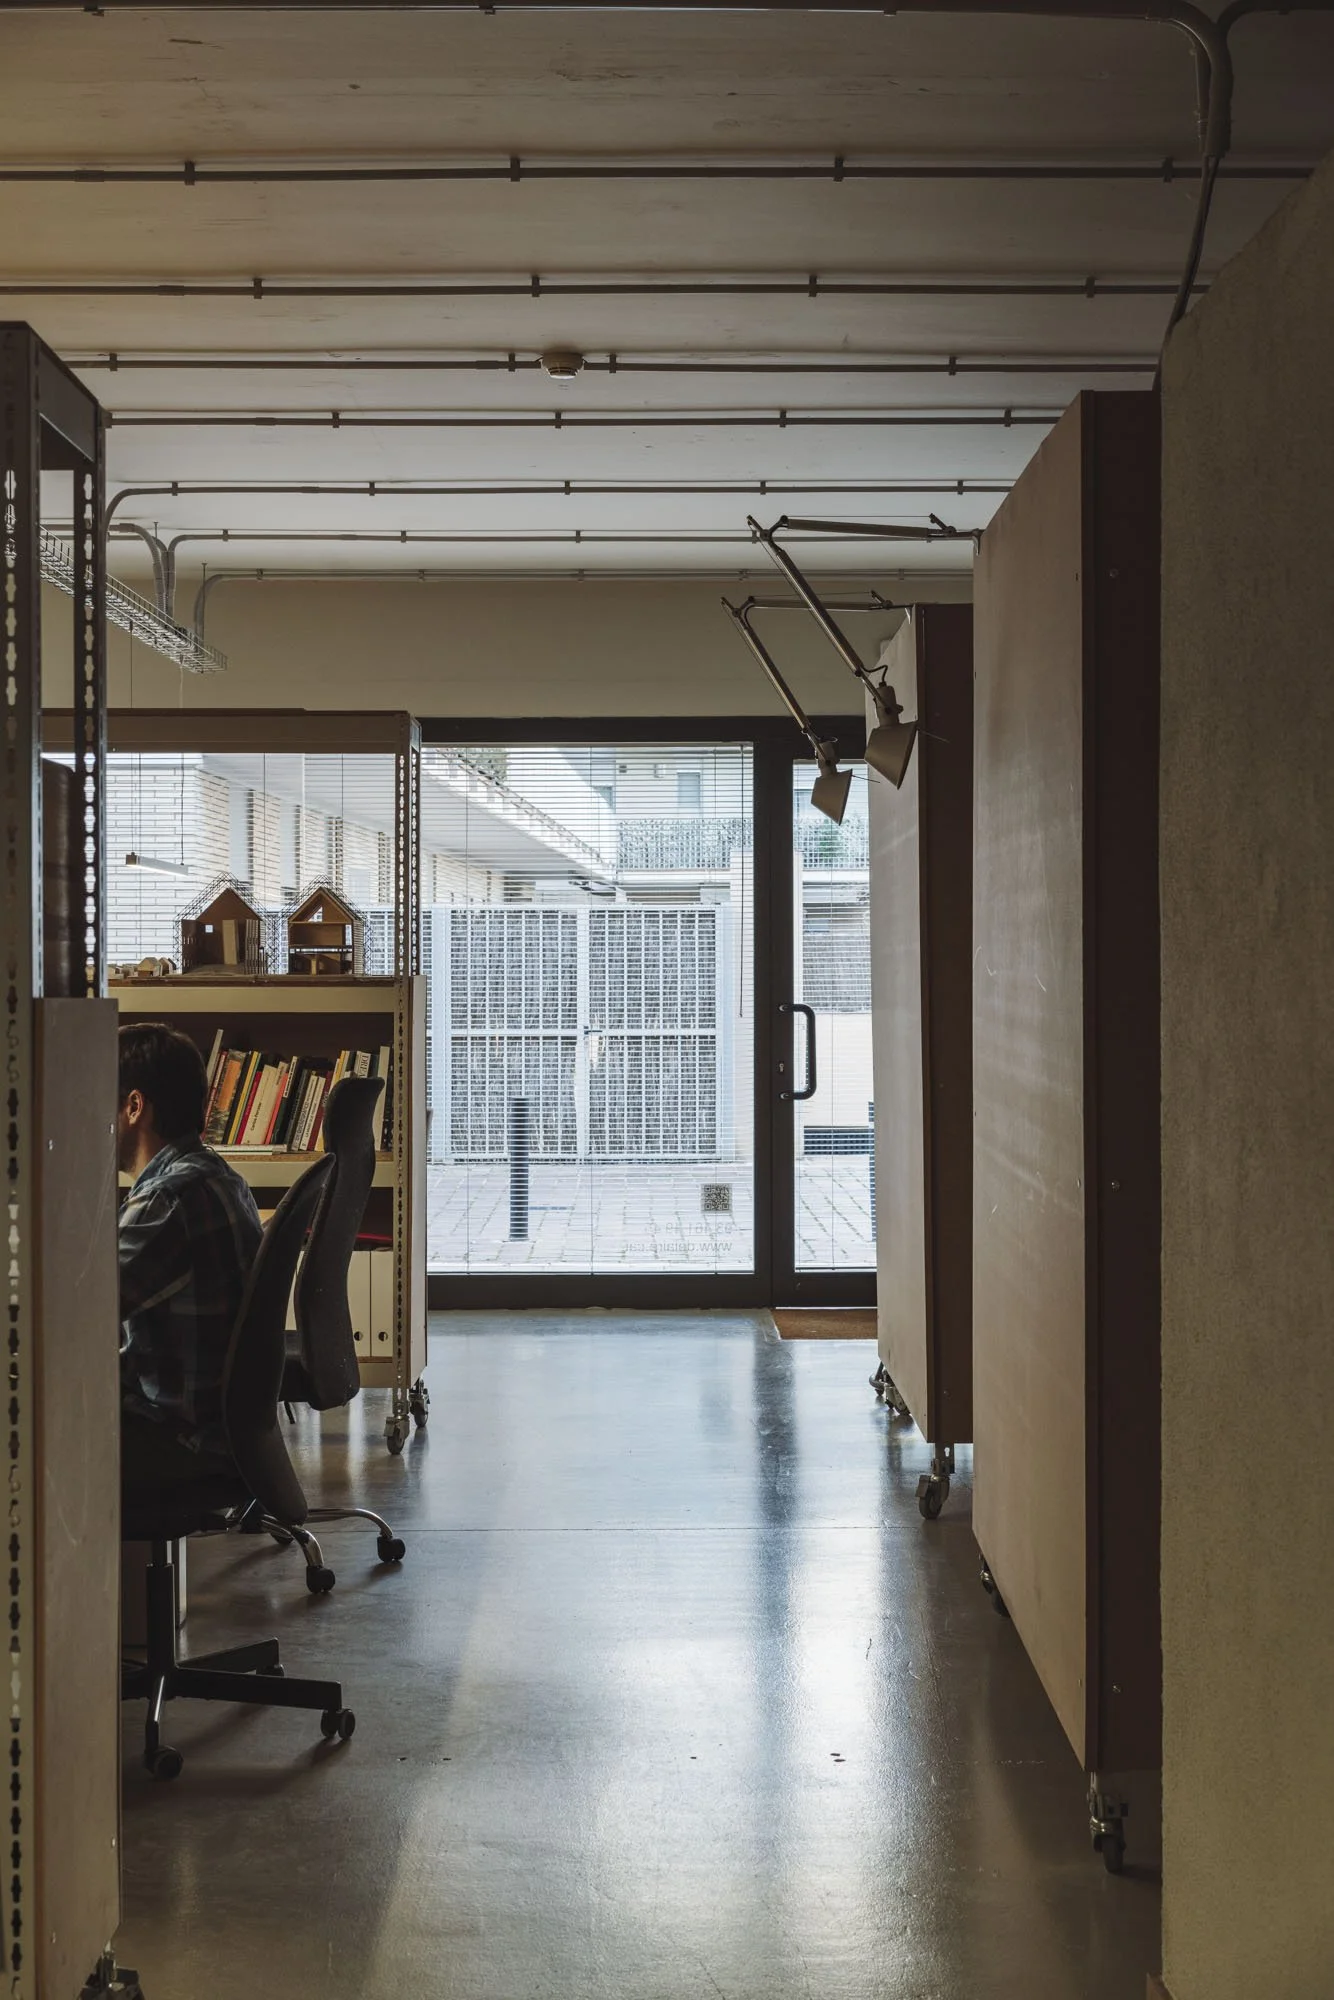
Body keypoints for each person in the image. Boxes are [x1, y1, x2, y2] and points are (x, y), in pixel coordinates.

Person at [118, 1021, 263, 1500]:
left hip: (178, 1438)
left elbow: (65, 1320)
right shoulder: (217, 1176)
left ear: (134, 1107)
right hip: (224, 1431)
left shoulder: (166, 1201)